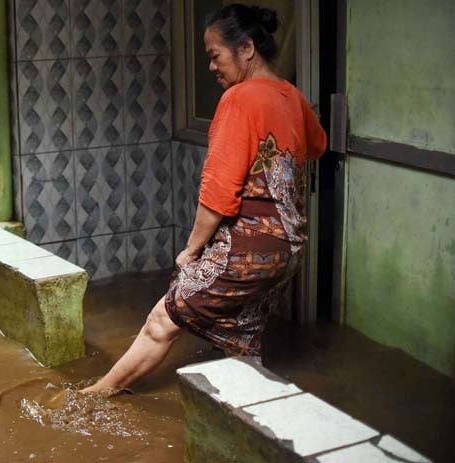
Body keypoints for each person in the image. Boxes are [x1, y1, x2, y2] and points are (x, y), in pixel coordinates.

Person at [81, 4, 327, 395]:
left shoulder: (238, 99)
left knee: (162, 321)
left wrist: (190, 252)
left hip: (246, 252)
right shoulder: (291, 96)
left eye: (215, 55)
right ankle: (256, 422)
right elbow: (318, 145)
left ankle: (93, 397)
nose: (211, 67)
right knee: (242, 343)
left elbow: (217, 195)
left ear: (246, 48)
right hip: (287, 252)